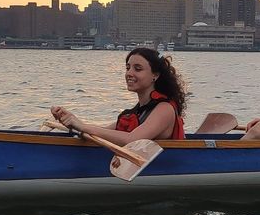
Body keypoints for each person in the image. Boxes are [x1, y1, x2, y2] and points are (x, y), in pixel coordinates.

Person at [51, 47, 187, 143]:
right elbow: (104, 131)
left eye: (137, 69)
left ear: (155, 75)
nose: (129, 73)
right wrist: (71, 120)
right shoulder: (139, 111)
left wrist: (81, 126)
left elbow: (131, 139)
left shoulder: (164, 109)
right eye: (128, 68)